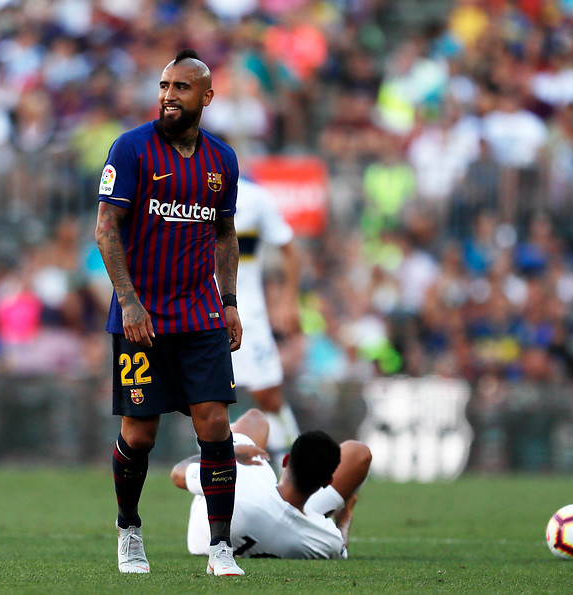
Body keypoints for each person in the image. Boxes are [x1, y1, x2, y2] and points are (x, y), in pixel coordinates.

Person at [94, 49, 244, 576]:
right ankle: (129, 531)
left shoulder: (222, 160)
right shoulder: (131, 148)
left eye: (181, 87)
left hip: (201, 316)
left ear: (206, 96)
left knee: (215, 423)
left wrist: (229, 302)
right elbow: (106, 229)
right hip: (142, 318)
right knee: (140, 434)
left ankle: (221, 548)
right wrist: (128, 300)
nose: (168, 96)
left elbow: (225, 235)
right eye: (164, 86)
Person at [171, 408, 372, 559]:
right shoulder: (326, 537)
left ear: (285, 461)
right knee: (360, 452)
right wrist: (343, 521)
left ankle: (227, 447)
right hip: (298, 528)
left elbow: (177, 474)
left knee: (256, 418)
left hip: (210, 531)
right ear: (328, 482)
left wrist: (227, 454)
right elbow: (340, 546)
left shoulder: (244, 477)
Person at [230, 178, 302, 468]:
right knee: (206, 400)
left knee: (268, 394)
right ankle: (219, 470)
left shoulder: (254, 198)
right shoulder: (184, 193)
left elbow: (290, 250)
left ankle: (296, 467)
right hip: (202, 313)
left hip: (248, 313)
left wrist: (288, 301)